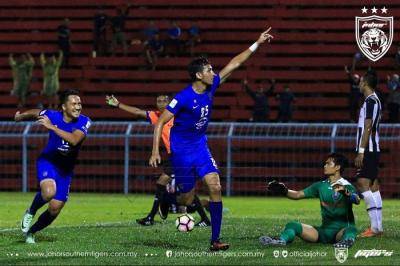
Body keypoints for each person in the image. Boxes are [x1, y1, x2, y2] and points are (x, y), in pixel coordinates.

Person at [149, 27, 273, 251]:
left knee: (215, 187)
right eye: (208, 69)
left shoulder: (211, 86)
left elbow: (234, 64)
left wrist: (257, 43)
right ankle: (168, 200)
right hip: (181, 151)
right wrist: (156, 151)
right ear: (198, 75)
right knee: (186, 199)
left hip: (199, 147)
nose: (213, 72)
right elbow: (160, 122)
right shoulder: (183, 97)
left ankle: (215, 240)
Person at [105, 95, 210, 227]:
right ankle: (203, 218)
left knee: (165, 183)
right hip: (174, 156)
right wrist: (118, 104)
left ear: (170, 102)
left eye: (164, 101)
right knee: (184, 190)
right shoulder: (156, 116)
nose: (161, 103)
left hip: (184, 154)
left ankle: (153, 215)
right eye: (158, 101)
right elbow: (137, 112)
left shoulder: (178, 115)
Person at [17, 89, 91, 244]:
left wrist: (52, 128)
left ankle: (32, 232)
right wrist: (20, 116)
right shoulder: (53, 115)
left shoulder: (85, 121)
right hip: (48, 161)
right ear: (64, 107)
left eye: (79, 103)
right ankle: (31, 211)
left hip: (66, 171)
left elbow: (74, 140)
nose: (78, 107)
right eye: (74, 103)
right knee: (49, 192)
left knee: (55, 209)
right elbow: (37, 112)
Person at [260, 153, 359, 248]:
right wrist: (284, 191)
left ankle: (346, 241)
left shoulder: (346, 185)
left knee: (351, 229)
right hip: (323, 232)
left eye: (328, 163)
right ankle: (281, 240)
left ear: (338, 167)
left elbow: (357, 200)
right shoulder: (320, 185)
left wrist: (346, 192)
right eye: (325, 163)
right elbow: (298, 194)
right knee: (293, 225)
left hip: (340, 231)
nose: (325, 166)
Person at [354, 72, 383, 237]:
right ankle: (378, 227)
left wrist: (361, 151)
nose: (358, 84)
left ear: (365, 83)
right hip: (374, 147)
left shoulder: (371, 101)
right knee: (373, 186)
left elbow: (368, 127)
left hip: (369, 149)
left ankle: (373, 228)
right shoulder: (375, 100)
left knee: (362, 183)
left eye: (360, 81)